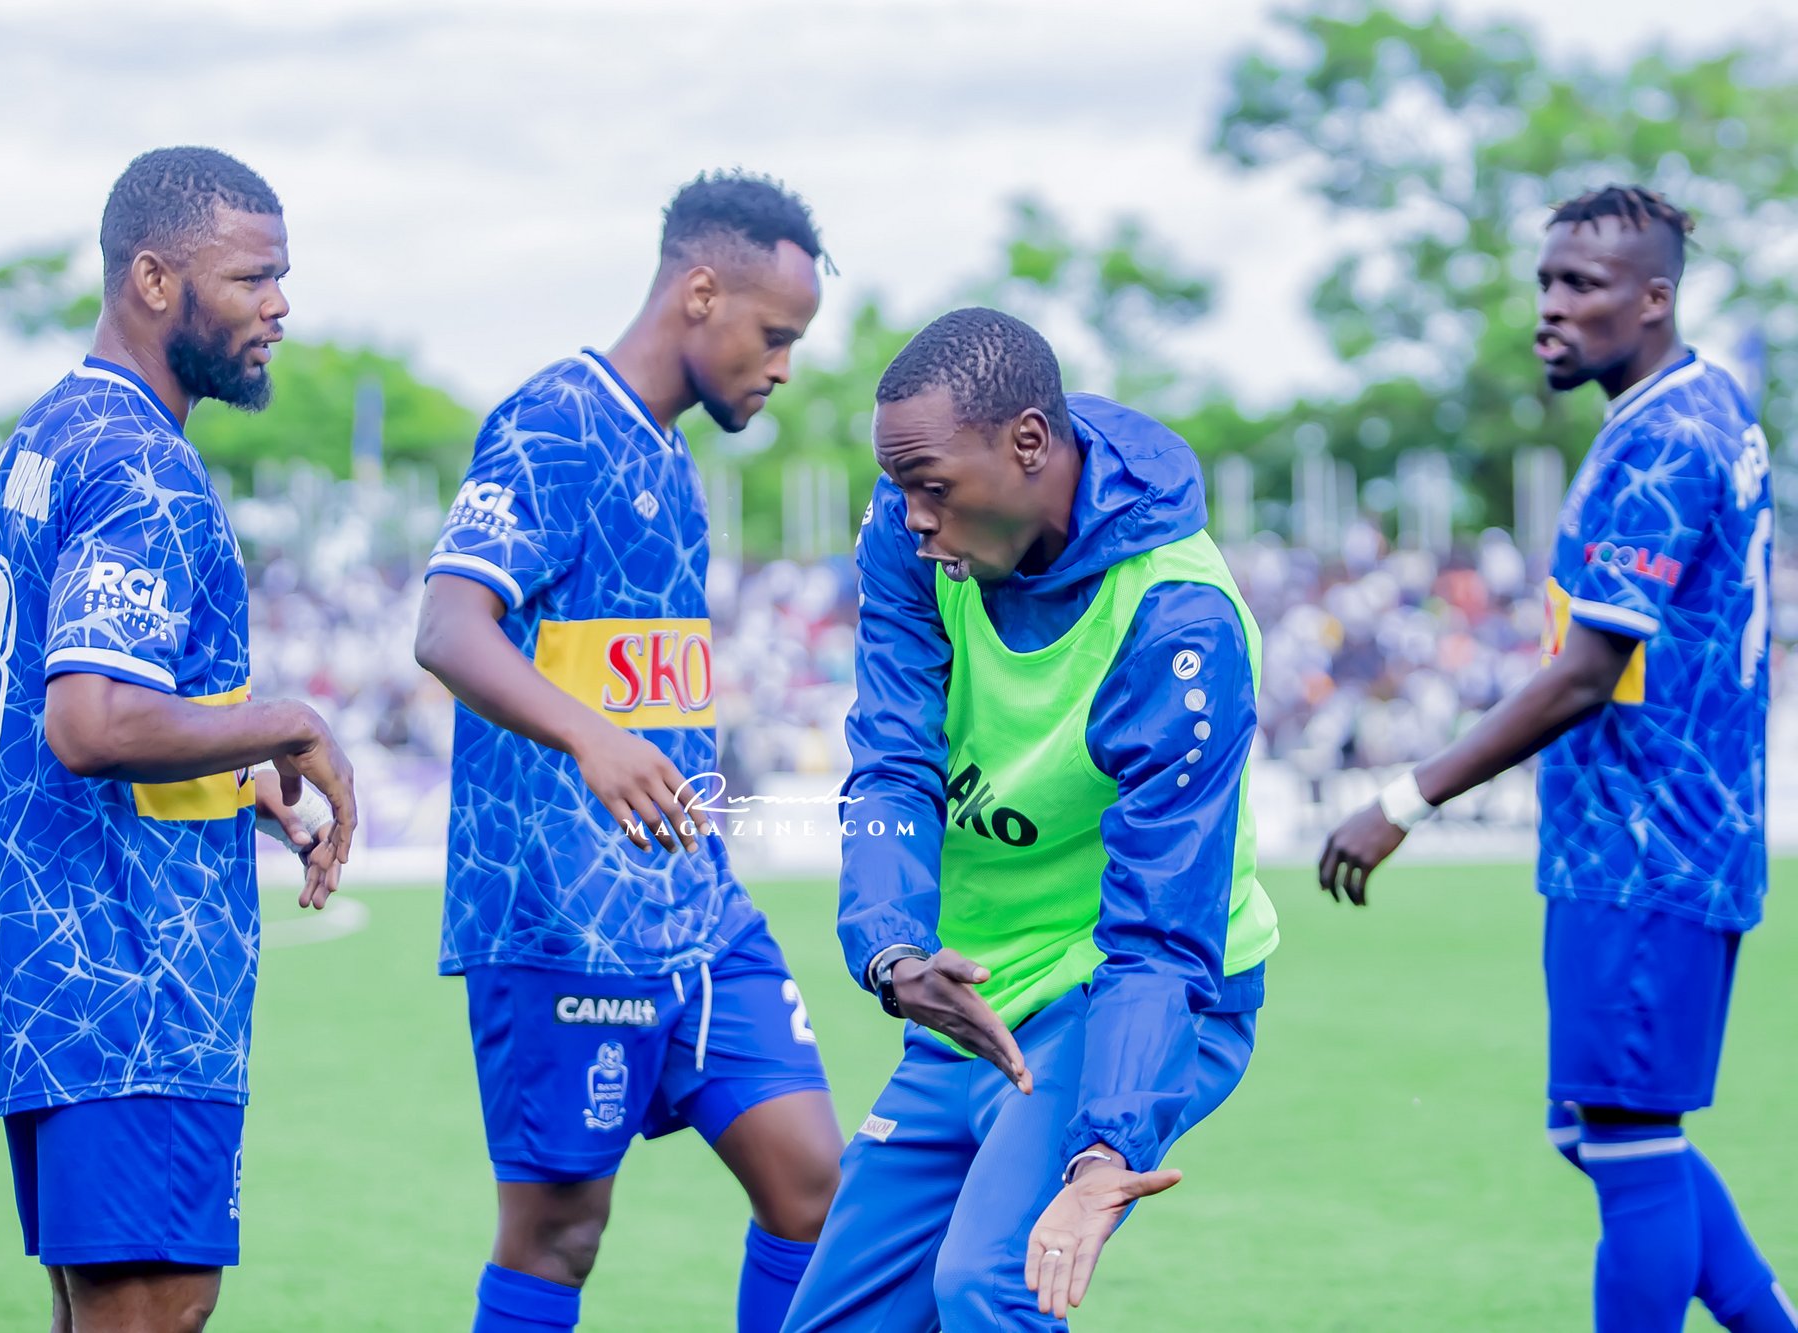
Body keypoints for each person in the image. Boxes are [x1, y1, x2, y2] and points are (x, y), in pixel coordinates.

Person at [1319, 185, 1794, 1332]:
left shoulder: (1663, 441)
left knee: (1627, 1141)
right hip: (1642, 840)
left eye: (1581, 285)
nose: (1549, 307)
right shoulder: (1696, 405)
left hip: (1648, 844)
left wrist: (1402, 798)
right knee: (1595, 1128)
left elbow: (1584, 673)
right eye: (1544, 281)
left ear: (1654, 298)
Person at [785, 307, 1280, 1331]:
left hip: (1129, 994)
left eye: (931, 487)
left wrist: (1107, 1147)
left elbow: (1161, 928)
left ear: (1026, 442)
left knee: (987, 1285)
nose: (913, 517)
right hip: (975, 997)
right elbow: (892, 762)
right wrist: (892, 952)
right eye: (898, 488)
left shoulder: (1177, 620)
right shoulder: (910, 535)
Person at [412, 171, 842, 1333]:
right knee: (559, 1235)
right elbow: (447, 627)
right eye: (773, 335)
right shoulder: (554, 422)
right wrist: (592, 738)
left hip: (695, 909)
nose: (782, 367)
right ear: (700, 292)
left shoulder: (669, 455)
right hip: (562, 914)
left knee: (813, 1186)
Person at [0, 146, 357, 1333]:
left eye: (282, 276)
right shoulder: (143, 466)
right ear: (155, 279)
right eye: (252, 278)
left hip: (51, 968)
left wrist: (231, 770)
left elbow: (90, 706)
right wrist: (288, 723)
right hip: (132, 982)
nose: (279, 305)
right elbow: (91, 722)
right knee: (153, 1310)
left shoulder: (53, 432)